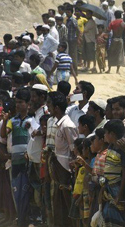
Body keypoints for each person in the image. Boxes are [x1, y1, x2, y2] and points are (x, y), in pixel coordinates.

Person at [46, 91, 78, 227]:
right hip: (58, 167)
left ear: (57, 108)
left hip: (65, 169)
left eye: (49, 104)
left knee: (66, 203)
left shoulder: (67, 125)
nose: (47, 107)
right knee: (58, 202)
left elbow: (74, 150)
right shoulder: (58, 123)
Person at [102, 120, 125, 227]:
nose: (104, 135)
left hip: (118, 188)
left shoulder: (122, 149)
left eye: (106, 133)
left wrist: (120, 194)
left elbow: (124, 172)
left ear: (112, 134)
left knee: (119, 217)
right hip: (109, 187)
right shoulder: (110, 147)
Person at [66, 5, 79, 73]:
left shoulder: (73, 20)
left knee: (73, 56)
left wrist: (78, 38)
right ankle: (72, 70)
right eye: (66, 12)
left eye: (68, 12)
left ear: (71, 12)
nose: (67, 14)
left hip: (73, 40)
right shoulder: (67, 20)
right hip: (69, 40)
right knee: (70, 55)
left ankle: (75, 70)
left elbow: (77, 29)